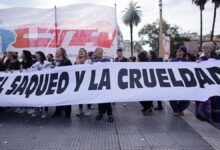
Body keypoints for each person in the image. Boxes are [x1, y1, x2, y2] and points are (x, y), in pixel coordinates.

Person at [196, 42, 220, 122]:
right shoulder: (201, 59)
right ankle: (204, 116)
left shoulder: (217, 59)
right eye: (204, 48)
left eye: (206, 48)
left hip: (215, 84)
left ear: (211, 49)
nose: (204, 49)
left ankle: (215, 117)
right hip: (205, 84)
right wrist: (197, 64)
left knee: (215, 100)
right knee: (205, 99)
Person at [93, 48, 114, 122]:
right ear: (95, 53)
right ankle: (100, 113)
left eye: (101, 51)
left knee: (107, 99)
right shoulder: (93, 62)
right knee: (100, 99)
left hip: (106, 82)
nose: (100, 53)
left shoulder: (107, 60)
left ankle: (110, 114)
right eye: (98, 51)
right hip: (97, 83)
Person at [169, 46, 190, 116]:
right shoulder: (172, 61)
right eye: (178, 50)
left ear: (184, 52)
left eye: (180, 50)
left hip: (185, 83)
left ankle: (180, 109)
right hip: (174, 82)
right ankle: (175, 110)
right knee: (173, 97)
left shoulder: (188, 62)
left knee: (185, 98)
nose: (178, 52)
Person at [52, 47, 72, 118]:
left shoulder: (67, 61)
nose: (56, 52)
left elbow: (70, 71)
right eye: (56, 51)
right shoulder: (54, 61)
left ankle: (67, 113)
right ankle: (57, 111)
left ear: (62, 53)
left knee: (66, 98)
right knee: (57, 97)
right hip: (57, 82)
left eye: (58, 51)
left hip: (65, 83)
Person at [30, 51, 50, 118]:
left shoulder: (46, 63)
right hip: (36, 83)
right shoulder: (35, 63)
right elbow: (31, 70)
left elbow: (50, 71)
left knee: (44, 98)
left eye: (37, 55)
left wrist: (42, 68)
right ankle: (37, 111)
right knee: (36, 97)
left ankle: (45, 111)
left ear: (41, 55)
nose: (35, 56)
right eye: (35, 55)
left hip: (44, 83)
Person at [75, 48, 93, 117]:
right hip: (79, 80)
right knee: (80, 95)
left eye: (82, 51)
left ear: (85, 53)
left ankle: (88, 109)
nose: (80, 52)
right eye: (79, 51)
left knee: (88, 95)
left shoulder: (89, 61)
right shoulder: (76, 61)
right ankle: (80, 109)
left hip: (87, 81)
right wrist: (77, 62)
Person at [138, 51, 153, 115]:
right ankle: (148, 107)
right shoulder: (149, 63)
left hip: (145, 82)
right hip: (147, 82)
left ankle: (148, 107)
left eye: (138, 57)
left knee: (141, 97)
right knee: (147, 96)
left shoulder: (143, 64)